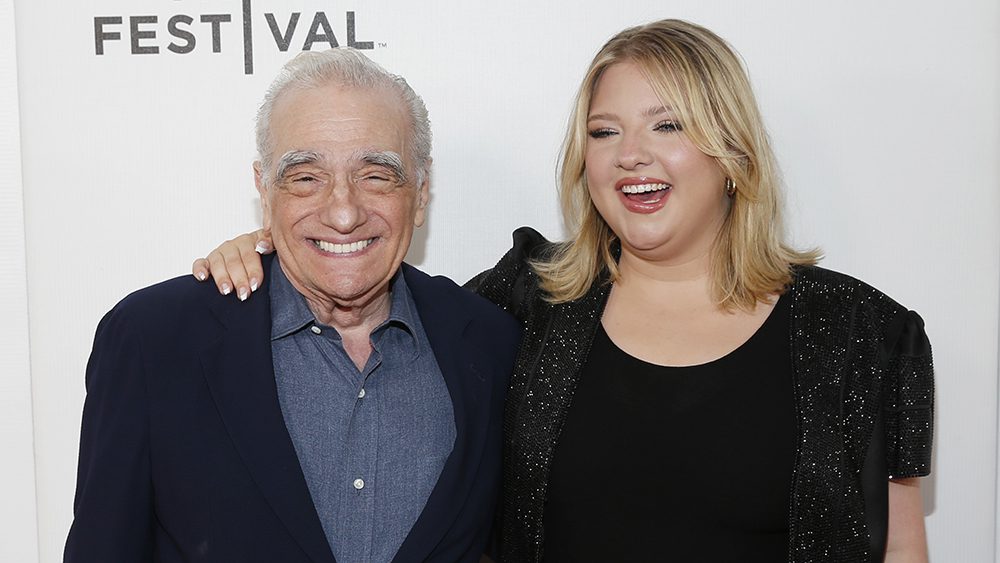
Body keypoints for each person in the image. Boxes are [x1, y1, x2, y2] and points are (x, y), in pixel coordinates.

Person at [192, 20, 933, 563]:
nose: (630, 155)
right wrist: (267, 254)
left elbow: (902, 549)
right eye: (604, 132)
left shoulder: (863, 333)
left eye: (666, 123)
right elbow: (371, 287)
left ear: (733, 151)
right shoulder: (529, 300)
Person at [65, 49, 521, 563]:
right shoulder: (154, 341)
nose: (344, 212)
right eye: (306, 177)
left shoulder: (491, 342)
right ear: (265, 189)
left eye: (376, 175)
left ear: (420, 191)